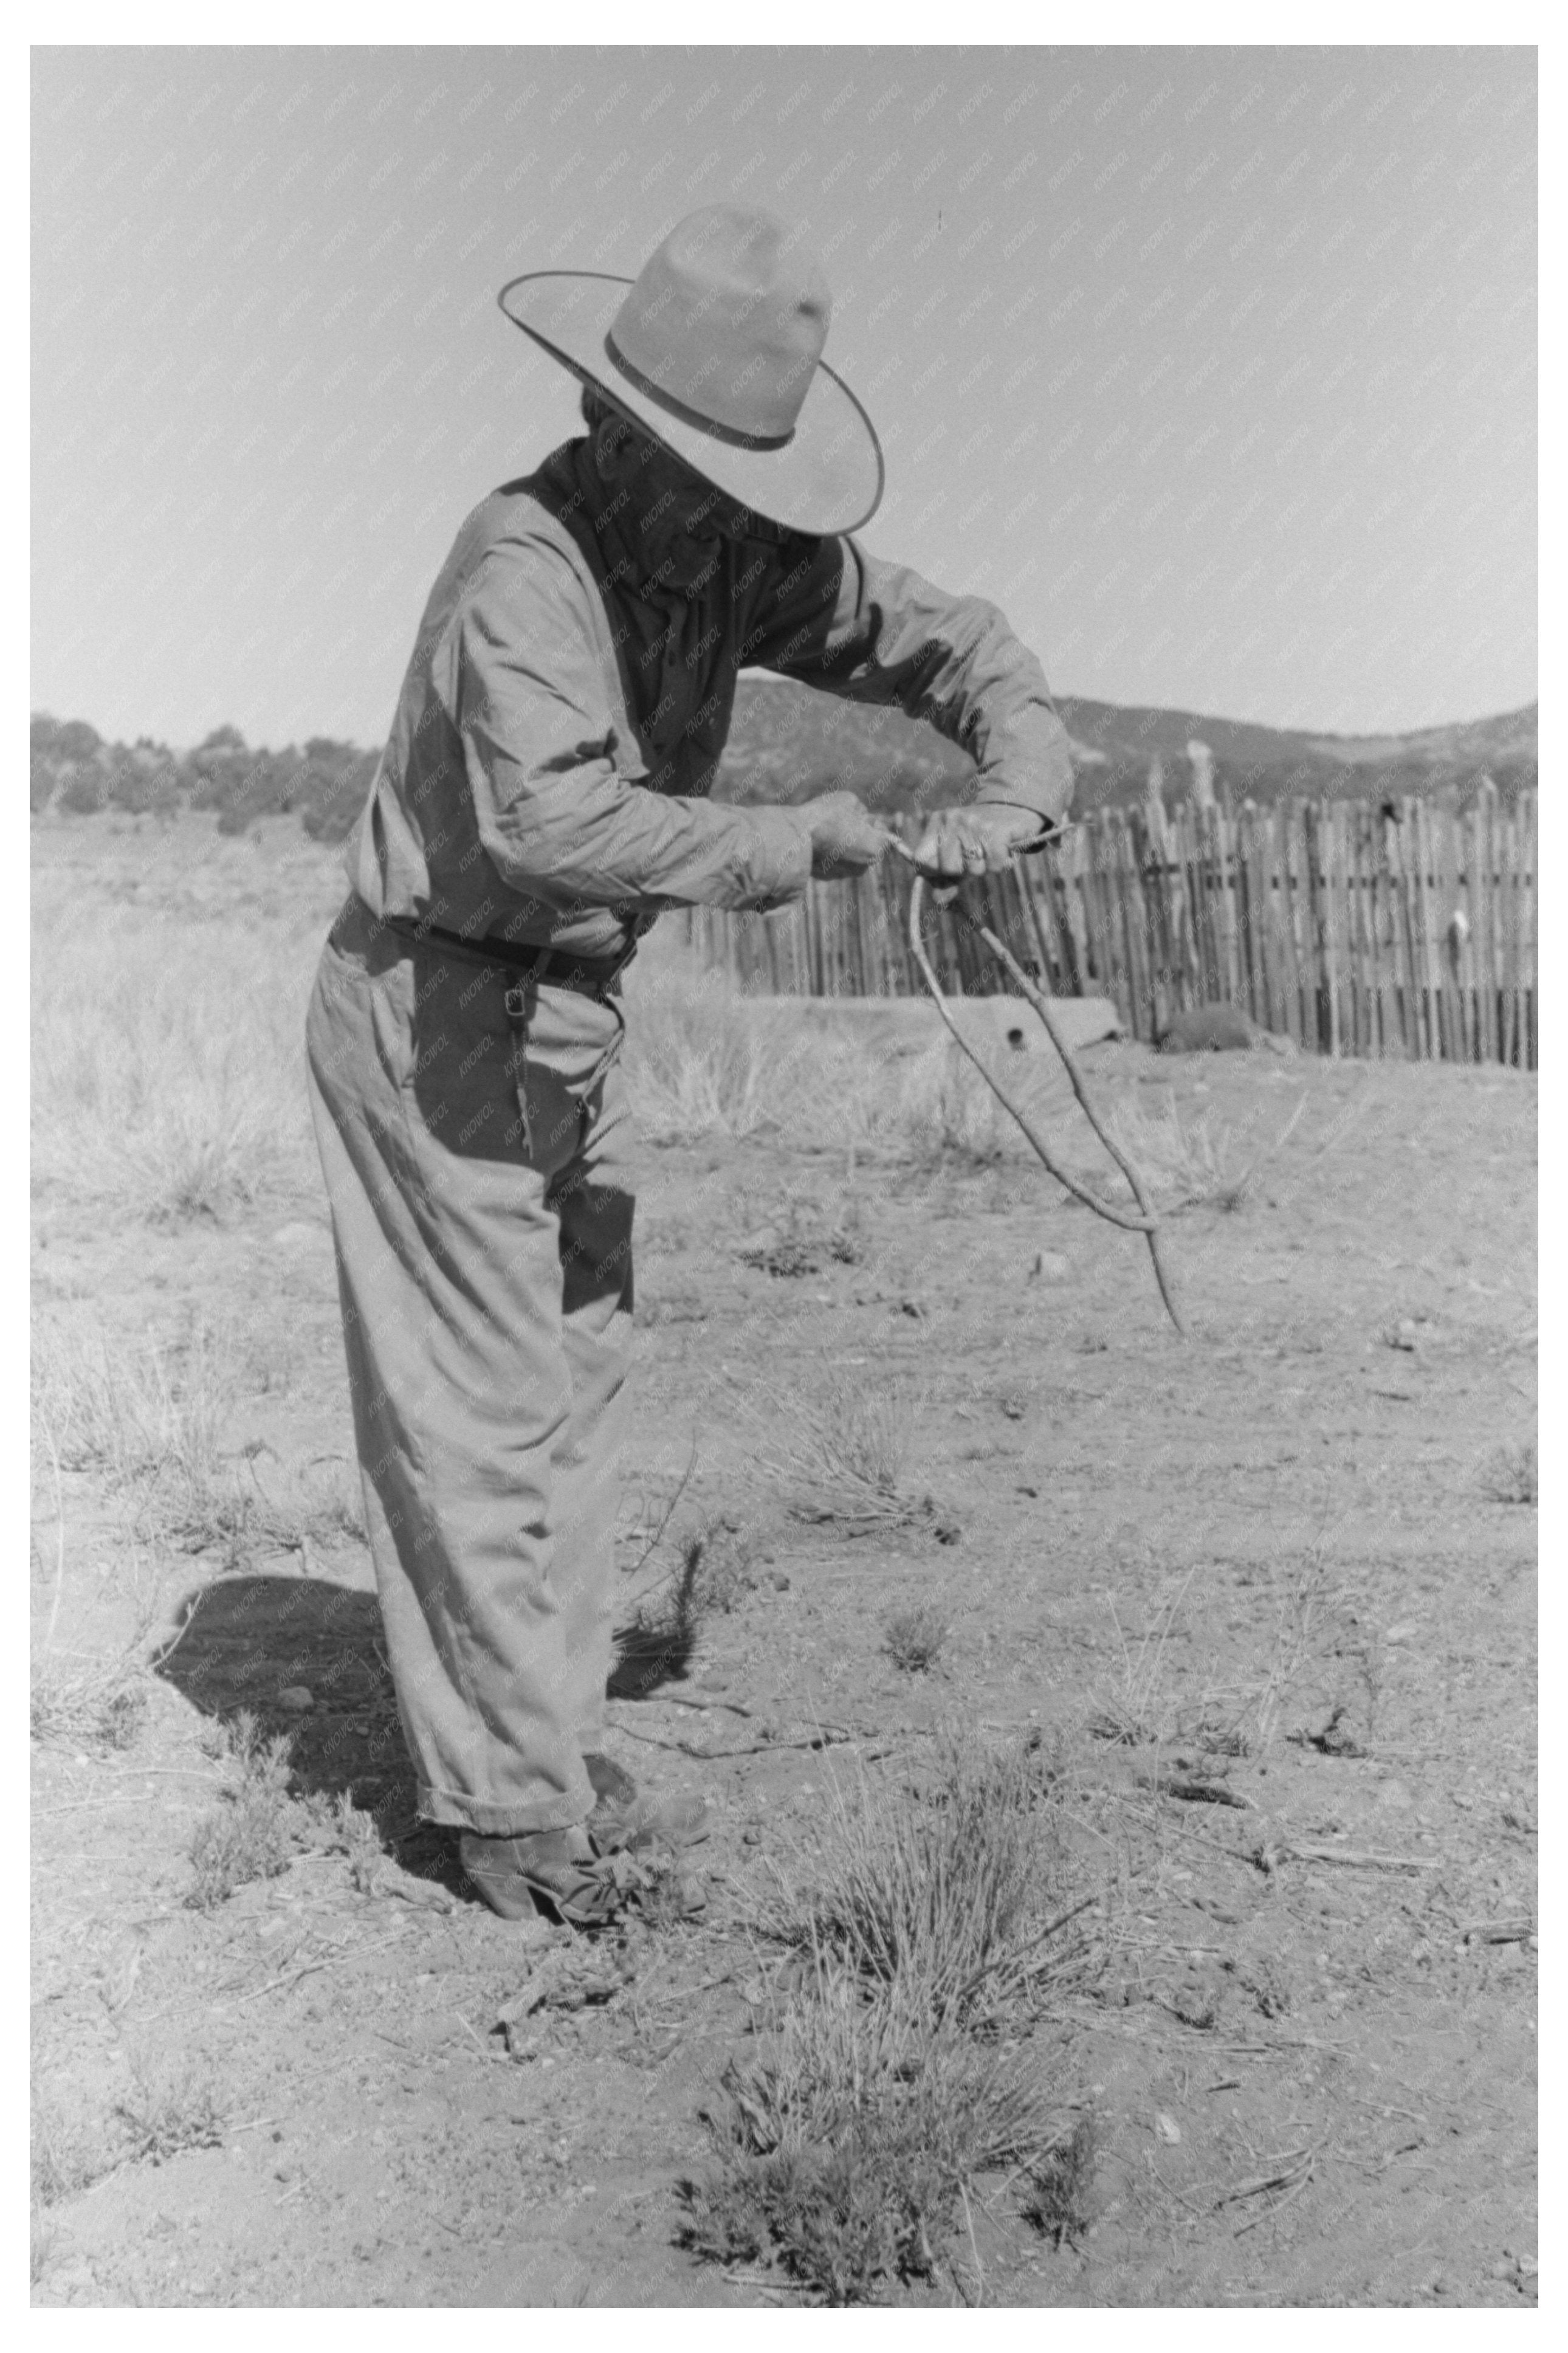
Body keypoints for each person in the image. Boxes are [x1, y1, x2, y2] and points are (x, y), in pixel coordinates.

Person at [306, 205, 1075, 1927]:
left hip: (561, 1022)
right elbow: (550, 815)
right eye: (696, 469)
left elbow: (952, 641)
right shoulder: (530, 565)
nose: (724, 509)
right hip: (438, 1010)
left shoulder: (732, 552)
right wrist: (799, 836)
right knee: (486, 1412)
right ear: (610, 422)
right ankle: (504, 1809)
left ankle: (540, 1743)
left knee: (570, 1383)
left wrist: (1019, 766)